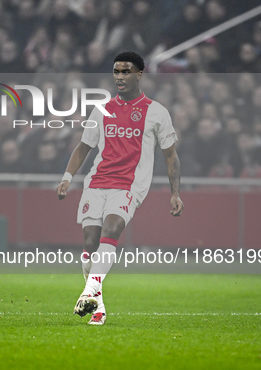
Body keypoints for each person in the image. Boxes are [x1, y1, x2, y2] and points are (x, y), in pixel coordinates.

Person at [56, 51, 184, 325]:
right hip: (96, 182)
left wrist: (175, 192)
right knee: (90, 244)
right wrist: (68, 176)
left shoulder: (156, 111)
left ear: (139, 74)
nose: (120, 77)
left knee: (111, 230)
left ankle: (88, 291)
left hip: (129, 186)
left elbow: (171, 155)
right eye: (116, 71)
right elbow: (84, 146)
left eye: (126, 71)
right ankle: (98, 306)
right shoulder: (101, 109)